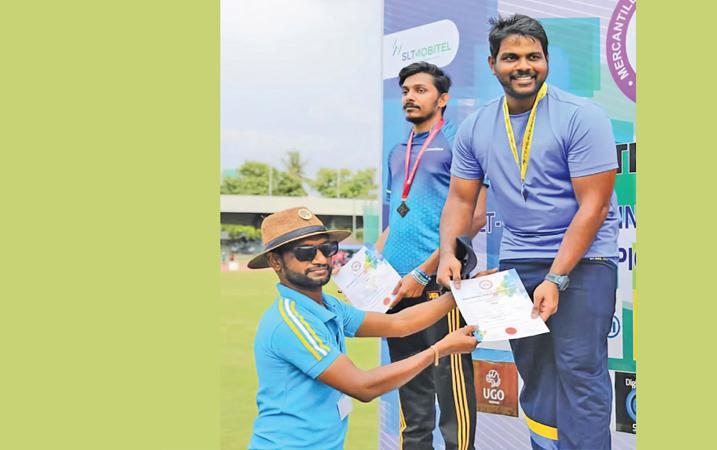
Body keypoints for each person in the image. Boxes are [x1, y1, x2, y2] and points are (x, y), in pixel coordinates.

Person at [436, 15, 620, 450]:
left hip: (586, 262)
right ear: (492, 63)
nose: (524, 66)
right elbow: (461, 201)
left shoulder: (582, 116)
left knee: (580, 370)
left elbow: (593, 207)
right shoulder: (476, 127)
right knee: (536, 377)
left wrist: (556, 277)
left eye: (533, 56)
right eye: (512, 57)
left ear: (547, 61)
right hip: (519, 263)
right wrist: (448, 250)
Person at [245, 207, 482, 450]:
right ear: (275, 261)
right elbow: (363, 386)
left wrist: (465, 293)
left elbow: (399, 324)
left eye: (326, 249)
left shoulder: (327, 305)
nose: (320, 259)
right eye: (305, 253)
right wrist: (439, 350)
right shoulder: (291, 320)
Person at [375, 61, 487, 450]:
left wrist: (424, 272)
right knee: (409, 385)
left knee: (451, 388)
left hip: (441, 282)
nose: (410, 96)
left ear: (443, 99)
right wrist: (372, 266)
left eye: (420, 90)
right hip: (396, 289)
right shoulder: (396, 151)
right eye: (406, 90)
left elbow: (472, 217)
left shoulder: (459, 142)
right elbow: (398, 217)